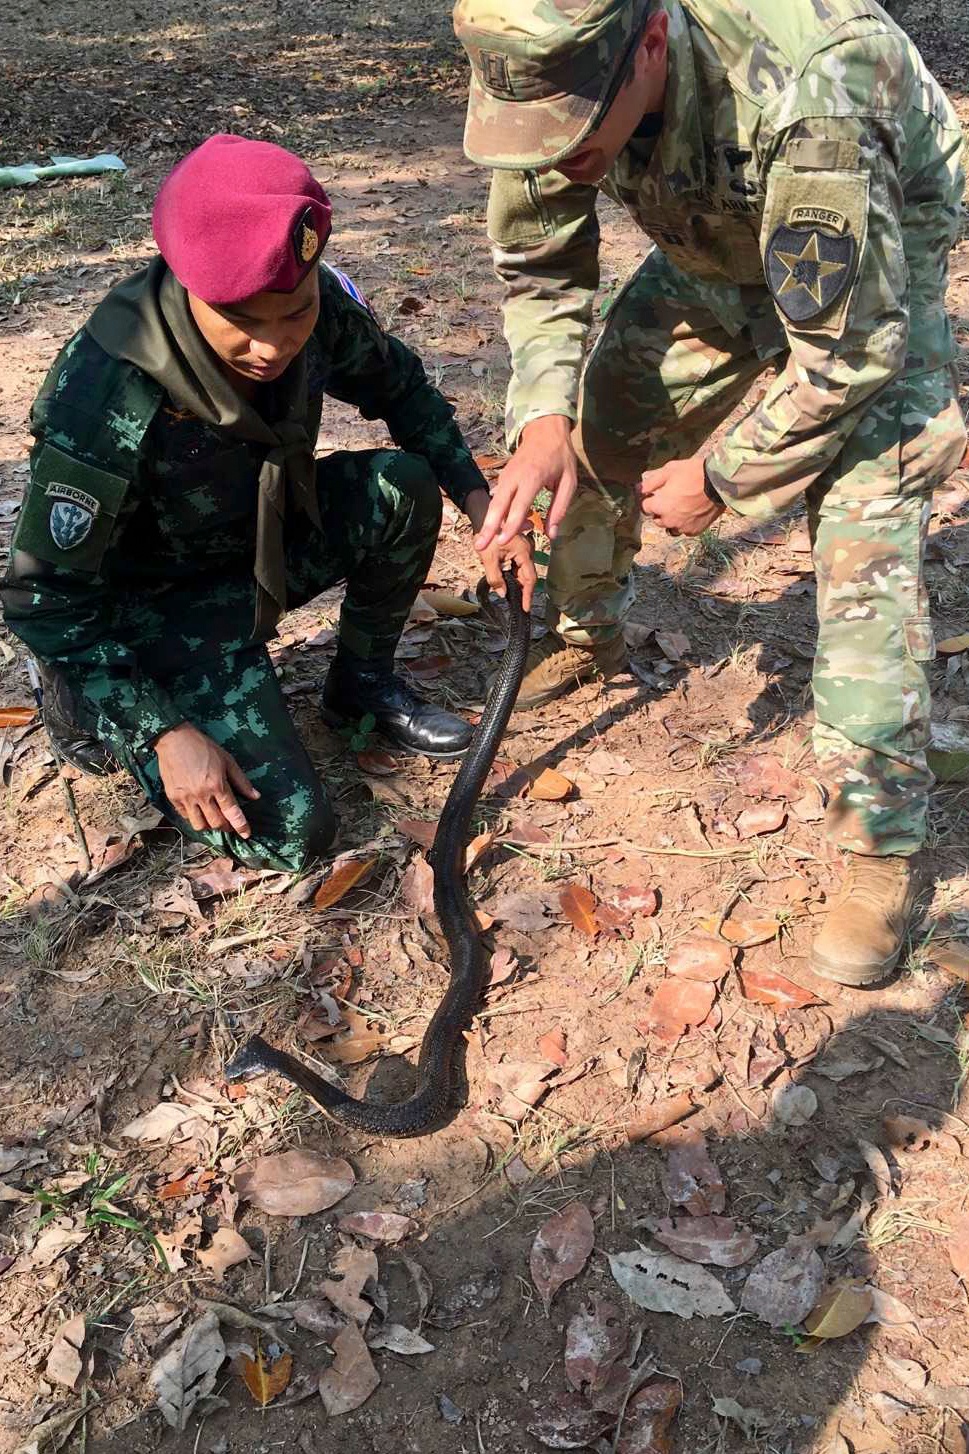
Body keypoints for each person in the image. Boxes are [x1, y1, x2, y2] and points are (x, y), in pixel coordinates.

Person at [451, 0, 967, 987]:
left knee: (865, 527)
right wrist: (544, 417)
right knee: (606, 410)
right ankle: (582, 628)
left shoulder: (817, 95)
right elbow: (538, 259)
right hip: (716, 242)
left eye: (572, 133)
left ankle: (879, 842)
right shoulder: (543, 77)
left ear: (650, 43)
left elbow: (851, 352)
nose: (551, 160)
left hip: (876, 250)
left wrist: (724, 480)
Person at [2, 134, 534, 873]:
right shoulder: (106, 392)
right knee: (288, 832)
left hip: (254, 550)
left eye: (293, 315)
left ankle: (360, 688)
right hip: (154, 614)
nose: (273, 345)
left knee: (403, 485)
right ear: (192, 291)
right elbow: (43, 597)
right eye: (244, 323)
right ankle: (96, 708)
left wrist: (481, 503)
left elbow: (402, 389)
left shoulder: (307, 305)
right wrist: (163, 732)